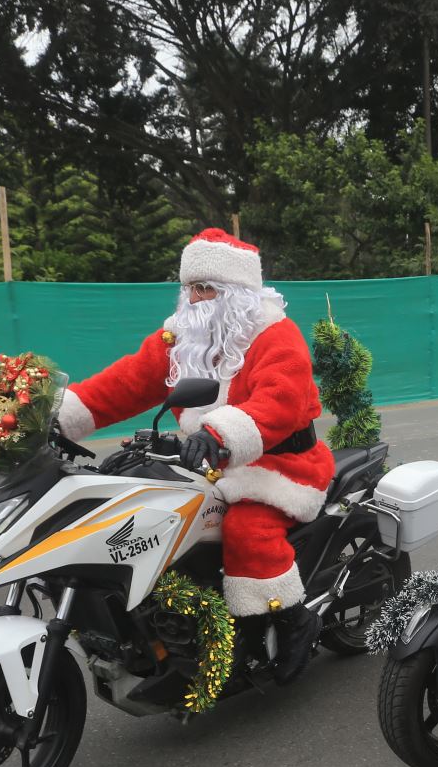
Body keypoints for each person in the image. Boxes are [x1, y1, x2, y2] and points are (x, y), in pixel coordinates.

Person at [55, 228, 334, 683]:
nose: (197, 298)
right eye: (190, 287)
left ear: (238, 292)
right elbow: (126, 382)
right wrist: (63, 416)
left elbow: (279, 402)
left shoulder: (274, 336)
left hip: (276, 465)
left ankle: (293, 620)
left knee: (248, 529)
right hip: (203, 461)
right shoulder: (180, 339)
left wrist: (220, 434)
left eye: (208, 288)